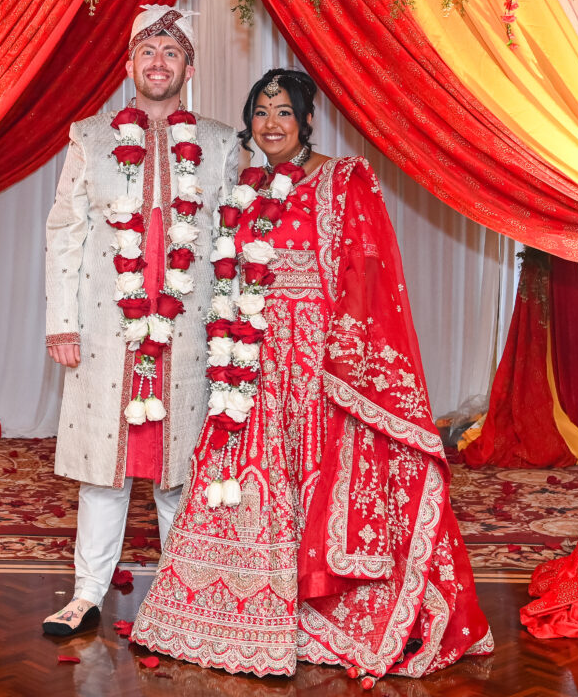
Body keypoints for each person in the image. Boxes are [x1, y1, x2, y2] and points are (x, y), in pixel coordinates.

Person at [132, 68, 493, 682]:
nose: (271, 124)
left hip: (318, 360)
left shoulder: (344, 179)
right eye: (261, 112)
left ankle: (319, 605)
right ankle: (243, 610)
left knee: (317, 474)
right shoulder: (244, 185)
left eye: (284, 112)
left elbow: (366, 269)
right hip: (251, 361)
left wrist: (343, 357)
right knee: (247, 477)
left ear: (305, 119)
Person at [42, 4, 239, 637]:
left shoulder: (219, 142)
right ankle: (87, 593)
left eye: (172, 52)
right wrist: (61, 324)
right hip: (107, 325)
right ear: (129, 64)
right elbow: (65, 233)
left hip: (188, 326)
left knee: (178, 465)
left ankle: (184, 590)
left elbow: (232, 237)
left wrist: (233, 330)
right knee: (106, 467)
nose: (159, 63)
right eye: (148, 52)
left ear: (189, 65)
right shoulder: (90, 136)